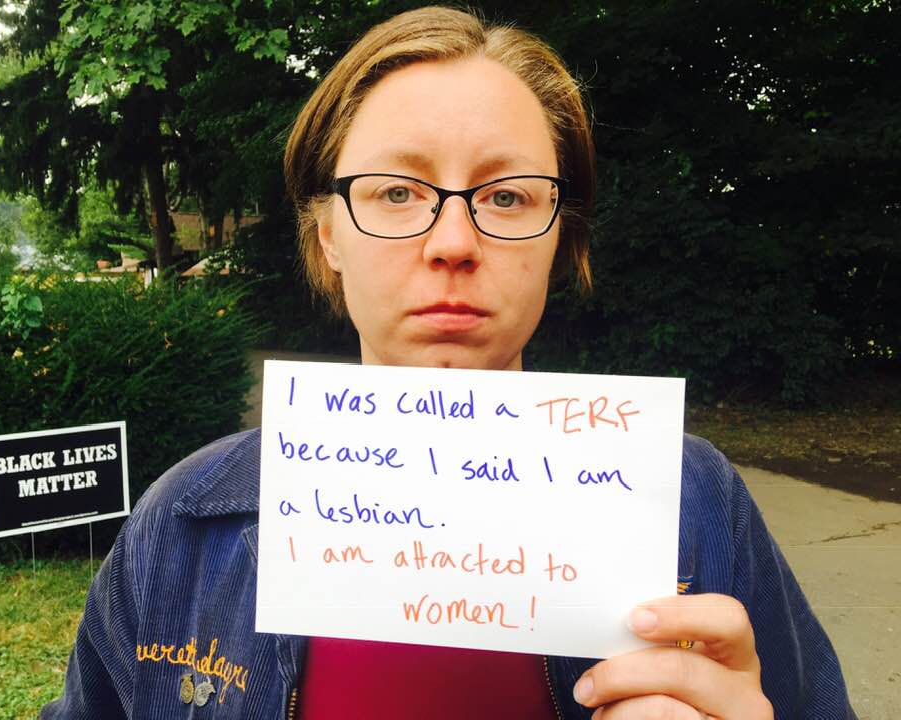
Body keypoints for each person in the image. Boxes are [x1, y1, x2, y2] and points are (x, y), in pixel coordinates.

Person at [42, 7, 855, 719]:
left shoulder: (696, 503)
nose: (454, 242)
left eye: (507, 196)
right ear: (329, 235)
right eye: (397, 192)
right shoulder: (185, 523)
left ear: (559, 236)